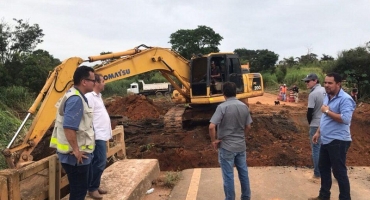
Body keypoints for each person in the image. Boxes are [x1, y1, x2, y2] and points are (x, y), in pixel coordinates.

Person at [49, 66, 96, 200]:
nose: (95, 83)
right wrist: (76, 150)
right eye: (93, 80)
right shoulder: (76, 99)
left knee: (79, 189)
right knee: (78, 191)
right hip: (76, 158)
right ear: (84, 81)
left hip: (76, 156)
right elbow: (69, 127)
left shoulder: (76, 95)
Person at [309, 72, 356, 200]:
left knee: (339, 172)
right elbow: (325, 117)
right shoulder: (328, 96)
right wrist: (318, 132)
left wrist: (328, 111)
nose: (327, 85)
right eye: (325, 82)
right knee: (323, 168)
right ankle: (324, 196)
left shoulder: (345, 99)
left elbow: (345, 119)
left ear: (338, 84)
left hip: (339, 141)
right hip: (326, 139)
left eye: (330, 83)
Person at [209, 82, 252, 200]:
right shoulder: (244, 106)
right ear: (236, 92)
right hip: (241, 146)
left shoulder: (222, 107)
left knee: (228, 176)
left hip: (226, 146)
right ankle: (246, 197)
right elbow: (248, 126)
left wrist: (214, 140)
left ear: (224, 94)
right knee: (243, 174)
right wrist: (242, 136)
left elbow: (212, 126)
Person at [86, 74, 112, 199]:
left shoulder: (98, 96)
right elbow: (87, 118)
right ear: (96, 83)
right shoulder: (90, 97)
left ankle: (95, 185)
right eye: (102, 81)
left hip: (102, 134)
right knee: (100, 162)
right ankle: (92, 188)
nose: (104, 83)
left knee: (98, 162)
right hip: (96, 136)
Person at [302, 73, 326, 180]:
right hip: (327, 123)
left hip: (316, 124)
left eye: (308, 81)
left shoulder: (313, 94)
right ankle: (327, 171)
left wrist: (310, 123)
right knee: (326, 149)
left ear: (315, 81)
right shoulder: (326, 91)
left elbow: (309, 111)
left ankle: (317, 173)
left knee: (316, 149)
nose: (306, 83)